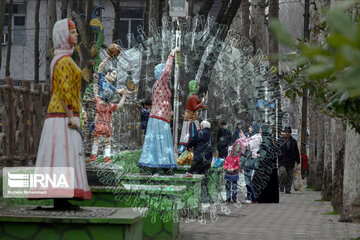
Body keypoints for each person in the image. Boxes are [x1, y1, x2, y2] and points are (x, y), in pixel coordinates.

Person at [29, 19, 92, 209]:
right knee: (62, 155)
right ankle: (60, 199)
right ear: (63, 36)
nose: (76, 35)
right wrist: (71, 115)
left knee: (61, 155)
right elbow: (64, 91)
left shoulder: (62, 58)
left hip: (62, 115)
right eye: (72, 32)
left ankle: (61, 199)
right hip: (62, 116)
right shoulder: (63, 61)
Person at [137, 47, 180, 174]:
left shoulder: (160, 85)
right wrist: (172, 53)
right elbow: (167, 71)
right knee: (159, 141)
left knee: (160, 142)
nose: (168, 75)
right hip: (158, 118)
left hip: (162, 118)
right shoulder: (160, 83)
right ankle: (156, 166)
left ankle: (162, 166)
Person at [87, 75, 128, 164]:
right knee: (107, 142)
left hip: (98, 124)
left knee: (96, 140)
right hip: (106, 125)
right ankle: (107, 158)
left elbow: (95, 91)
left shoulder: (98, 102)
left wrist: (95, 81)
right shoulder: (111, 106)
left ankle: (93, 156)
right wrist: (124, 96)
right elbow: (120, 105)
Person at [184, 120, 214, 203]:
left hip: (199, 159)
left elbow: (192, 141)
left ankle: (191, 197)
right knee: (204, 178)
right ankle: (205, 198)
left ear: (202, 126)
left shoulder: (200, 132)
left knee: (192, 175)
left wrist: (189, 147)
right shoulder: (211, 135)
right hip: (208, 160)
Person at [178, 80, 207, 154]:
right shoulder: (192, 96)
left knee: (192, 132)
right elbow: (194, 107)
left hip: (193, 118)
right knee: (190, 133)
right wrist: (202, 102)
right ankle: (188, 148)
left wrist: (203, 105)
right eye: (197, 86)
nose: (198, 87)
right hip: (190, 119)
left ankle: (191, 147)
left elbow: (197, 106)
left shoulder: (194, 96)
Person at [253, 124, 279, 203]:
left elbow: (264, 152)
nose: (260, 131)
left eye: (261, 129)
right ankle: (271, 198)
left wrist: (258, 155)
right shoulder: (271, 138)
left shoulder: (265, 139)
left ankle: (263, 198)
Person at [241, 121, 262, 204]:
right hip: (249, 158)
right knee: (247, 178)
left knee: (248, 179)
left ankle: (253, 196)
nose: (249, 129)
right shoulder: (252, 136)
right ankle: (250, 196)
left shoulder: (257, 137)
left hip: (252, 159)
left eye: (251, 127)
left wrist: (243, 139)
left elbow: (249, 147)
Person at [278, 126, 300, 194]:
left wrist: (298, 161)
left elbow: (296, 151)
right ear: (284, 132)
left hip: (291, 160)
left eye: (288, 132)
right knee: (282, 172)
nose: (287, 133)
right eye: (286, 132)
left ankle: (288, 189)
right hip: (282, 161)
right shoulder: (280, 140)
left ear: (290, 133)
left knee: (290, 175)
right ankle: (281, 186)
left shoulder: (293, 141)